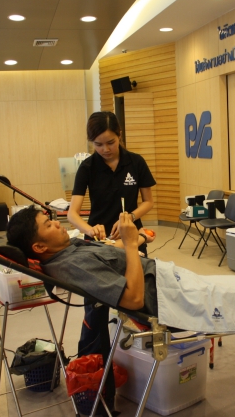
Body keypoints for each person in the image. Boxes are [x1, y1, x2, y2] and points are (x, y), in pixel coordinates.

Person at [6, 208, 235, 332]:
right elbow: (132, 298)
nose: (58, 224)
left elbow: (115, 262)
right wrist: (132, 245)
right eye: (49, 225)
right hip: (170, 301)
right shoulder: (70, 266)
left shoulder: (68, 251)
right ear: (39, 247)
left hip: (171, 283)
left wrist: (121, 242)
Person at [66, 112, 156, 354]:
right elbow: (72, 213)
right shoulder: (87, 167)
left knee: (141, 300)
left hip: (131, 239)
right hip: (98, 244)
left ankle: (143, 356)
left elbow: (148, 201)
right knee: (95, 308)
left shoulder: (136, 162)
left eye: (110, 142)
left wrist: (130, 218)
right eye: (97, 144)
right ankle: (95, 361)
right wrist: (89, 229)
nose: (105, 149)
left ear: (120, 135)